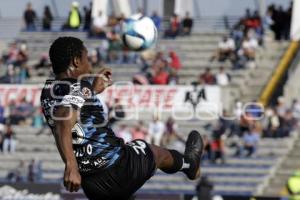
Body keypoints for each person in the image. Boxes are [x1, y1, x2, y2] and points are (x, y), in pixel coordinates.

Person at [40, 37, 204, 199]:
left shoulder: (48, 92)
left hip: (92, 184)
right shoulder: (80, 86)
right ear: (76, 61)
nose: (89, 63)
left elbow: (66, 118)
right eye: (86, 57)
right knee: (156, 153)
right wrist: (71, 166)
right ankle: (189, 164)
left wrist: (92, 89)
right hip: (117, 168)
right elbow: (64, 119)